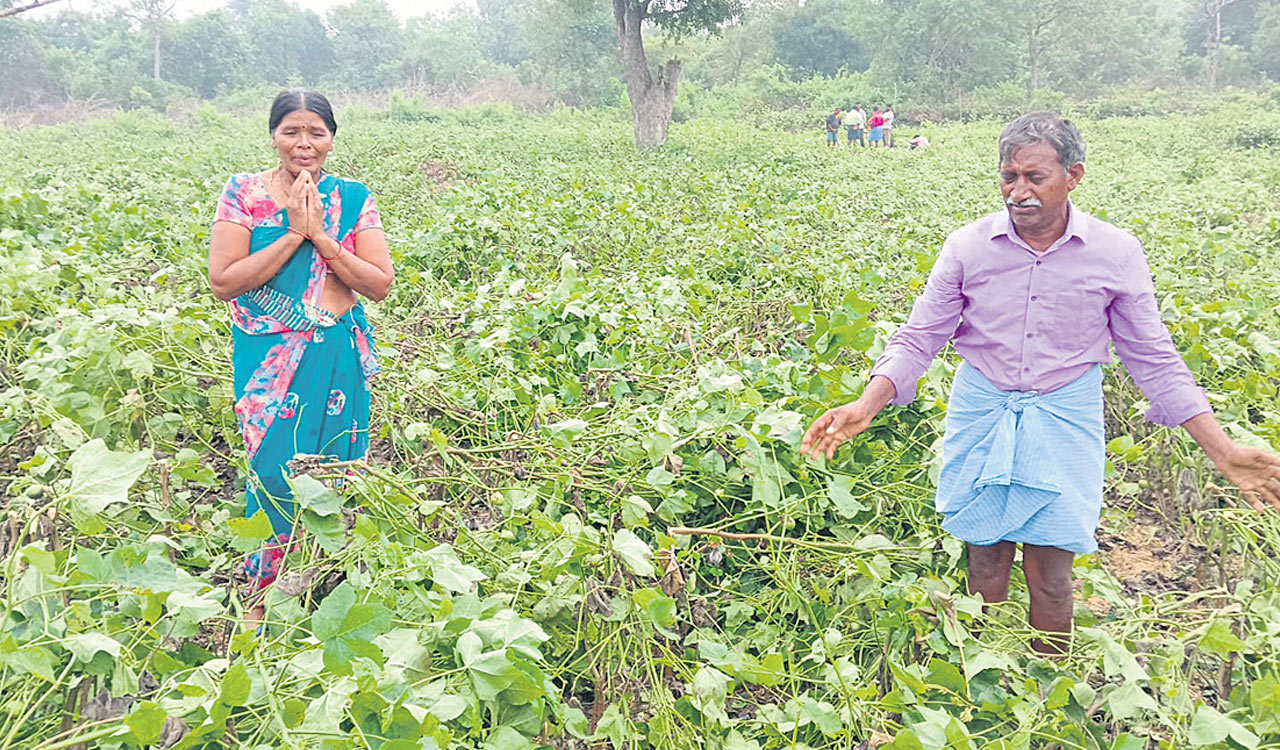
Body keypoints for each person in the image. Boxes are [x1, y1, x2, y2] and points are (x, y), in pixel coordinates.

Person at [801, 111, 1280, 654]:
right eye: (1009, 177)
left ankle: (1046, 688)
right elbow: (918, 337)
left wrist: (1222, 451)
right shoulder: (968, 247)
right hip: (983, 405)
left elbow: (1154, 358)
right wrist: (866, 404)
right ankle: (980, 673)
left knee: (1052, 572)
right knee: (983, 554)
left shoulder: (1114, 252)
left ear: (1073, 176)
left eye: (1035, 178)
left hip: (1064, 413)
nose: (1018, 192)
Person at [208, 90, 394, 619]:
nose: (304, 143)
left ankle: (321, 583)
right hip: (270, 355)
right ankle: (265, 594)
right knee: (271, 468)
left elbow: (379, 284)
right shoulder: (243, 192)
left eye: (317, 132)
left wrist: (323, 238)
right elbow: (224, 281)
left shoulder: (353, 198)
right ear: (273, 136)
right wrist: (293, 233)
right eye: (292, 131)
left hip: (335, 352)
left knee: (334, 468)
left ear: (332, 139)